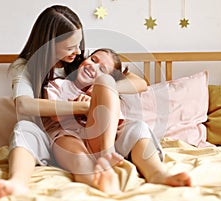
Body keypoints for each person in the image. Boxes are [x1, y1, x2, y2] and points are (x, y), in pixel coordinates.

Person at [0, 5, 147, 198]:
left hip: (87, 133)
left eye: (79, 44)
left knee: (134, 126)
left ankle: (107, 172)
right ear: (50, 44)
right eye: (70, 46)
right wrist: (81, 106)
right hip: (50, 135)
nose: (78, 51)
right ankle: (17, 182)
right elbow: (24, 104)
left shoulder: (82, 61)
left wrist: (103, 88)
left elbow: (140, 83)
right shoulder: (25, 68)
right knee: (23, 128)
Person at [45, 48, 192, 194]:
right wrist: (79, 107)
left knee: (137, 128)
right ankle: (94, 179)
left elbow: (116, 122)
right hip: (72, 134)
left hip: (104, 140)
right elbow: (54, 115)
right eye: (93, 59)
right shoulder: (59, 84)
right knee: (67, 144)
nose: (93, 66)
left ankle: (156, 173)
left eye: (102, 69)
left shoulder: (106, 90)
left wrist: (100, 91)